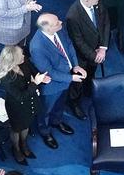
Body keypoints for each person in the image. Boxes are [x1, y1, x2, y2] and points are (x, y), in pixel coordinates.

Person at [28, 14, 86, 149]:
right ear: (47, 29)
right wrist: (71, 78)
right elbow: (50, 72)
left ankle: (57, 121)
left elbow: (69, 45)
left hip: (65, 79)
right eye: (57, 23)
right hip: (52, 86)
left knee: (60, 104)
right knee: (45, 111)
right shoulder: (37, 47)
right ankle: (45, 132)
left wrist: (75, 65)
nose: (61, 22)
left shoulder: (58, 29)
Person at [66, 0, 110, 80]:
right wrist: (95, 56)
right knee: (83, 80)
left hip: (98, 49)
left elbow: (106, 23)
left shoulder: (97, 1)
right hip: (85, 56)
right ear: (87, 0)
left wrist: (103, 48)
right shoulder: (73, 16)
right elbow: (78, 41)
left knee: (92, 74)